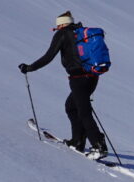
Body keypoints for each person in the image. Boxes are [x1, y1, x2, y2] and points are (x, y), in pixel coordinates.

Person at [19, 11, 107, 156]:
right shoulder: (81, 33)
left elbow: (49, 56)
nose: (57, 28)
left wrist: (29, 68)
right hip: (92, 76)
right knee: (72, 106)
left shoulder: (63, 34)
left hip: (78, 78)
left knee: (84, 111)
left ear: (61, 24)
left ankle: (98, 145)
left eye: (58, 25)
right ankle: (78, 141)